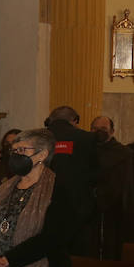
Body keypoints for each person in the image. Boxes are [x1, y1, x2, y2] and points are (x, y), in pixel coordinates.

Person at [0, 128, 76, 267]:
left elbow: (52, 237)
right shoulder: (4, 188)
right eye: (13, 151)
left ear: (42, 155)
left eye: (22, 150)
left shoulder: (58, 189)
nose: (15, 155)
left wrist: (9, 260)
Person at [45, 105, 99, 257]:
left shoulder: (40, 138)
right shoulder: (87, 138)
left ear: (50, 120)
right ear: (74, 120)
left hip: (45, 206)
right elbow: (95, 172)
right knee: (78, 257)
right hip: (79, 208)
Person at [90, 116, 134, 258]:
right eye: (95, 129)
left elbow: (126, 184)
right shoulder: (85, 150)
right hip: (89, 210)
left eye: (103, 129)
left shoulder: (124, 153)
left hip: (115, 211)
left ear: (112, 131)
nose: (99, 132)